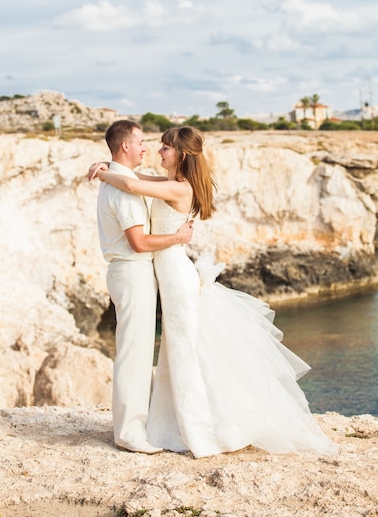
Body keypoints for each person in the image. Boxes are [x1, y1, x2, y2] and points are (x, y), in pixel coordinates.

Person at [91, 125, 336, 458]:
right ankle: (171, 423)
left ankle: (200, 427)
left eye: (165, 147)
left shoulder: (179, 188)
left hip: (175, 274)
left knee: (186, 347)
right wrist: (108, 170)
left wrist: (105, 173)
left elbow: (133, 183)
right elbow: (138, 179)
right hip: (166, 270)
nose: (157, 150)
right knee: (179, 347)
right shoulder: (171, 183)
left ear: (181, 154)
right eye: (154, 144)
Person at [90, 120, 194, 455]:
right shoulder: (124, 189)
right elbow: (139, 242)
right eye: (142, 142)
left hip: (131, 273)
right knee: (134, 354)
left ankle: (136, 424)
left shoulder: (127, 181)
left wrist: (104, 170)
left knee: (134, 350)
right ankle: (130, 432)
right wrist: (178, 238)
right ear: (125, 147)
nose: (147, 147)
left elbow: (142, 185)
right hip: (133, 272)